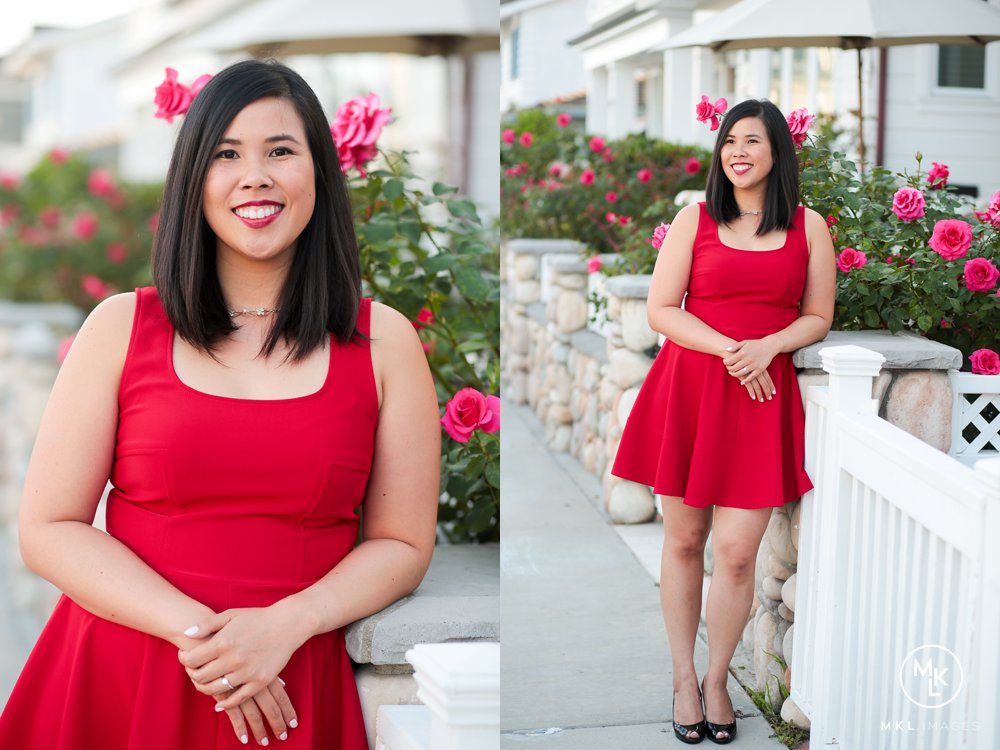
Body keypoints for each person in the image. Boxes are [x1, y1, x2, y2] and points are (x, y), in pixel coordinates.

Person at [0, 59, 441, 749]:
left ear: (318, 174)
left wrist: (283, 626)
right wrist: (211, 642)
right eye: (227, 154)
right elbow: (49, 527)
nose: (255, 175)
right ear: (194, 180)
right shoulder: (120, 327)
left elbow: (404, 543)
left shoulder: (383, 342)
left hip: (290, 689)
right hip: (124, 672)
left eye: (280, 151)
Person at [611, 98, 835, 744]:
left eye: (753, 142)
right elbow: (661, 308)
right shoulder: (695, 219)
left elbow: (817, 316)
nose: (738, 152)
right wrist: (733, 351)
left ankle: (717, 682)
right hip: (693, 391)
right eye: (729, 141)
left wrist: (768, 347)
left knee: (736, 557)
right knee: (683, 542)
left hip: (762, 400)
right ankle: (684, 678)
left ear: (777, 154)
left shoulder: (809, 227)